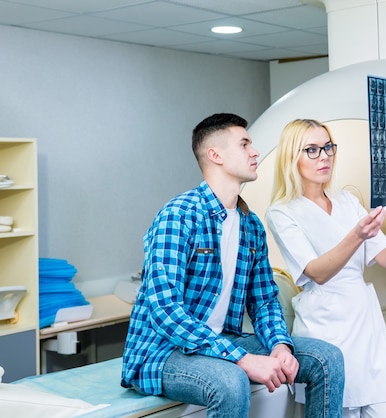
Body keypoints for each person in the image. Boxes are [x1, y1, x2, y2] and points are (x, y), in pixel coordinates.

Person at [120, 113, 344, 418]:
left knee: (326, 359)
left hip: (221, 341)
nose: (255, 152)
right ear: (216, 155)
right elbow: (165, 311)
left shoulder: (251, 224)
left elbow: (264, 301)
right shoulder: (178, 215)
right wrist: (243, 358)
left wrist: (280, 345)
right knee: (231, 381)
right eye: (245, 144)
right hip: (161, 351)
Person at [266, 119, 386, 418]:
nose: (324, 156)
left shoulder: (346, 201)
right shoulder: (282, 212)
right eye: (312, 150)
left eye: (327, 147)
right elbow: (316, 272)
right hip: (326, 327)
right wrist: (357, 235)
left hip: (365, 324)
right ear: (292, 157)